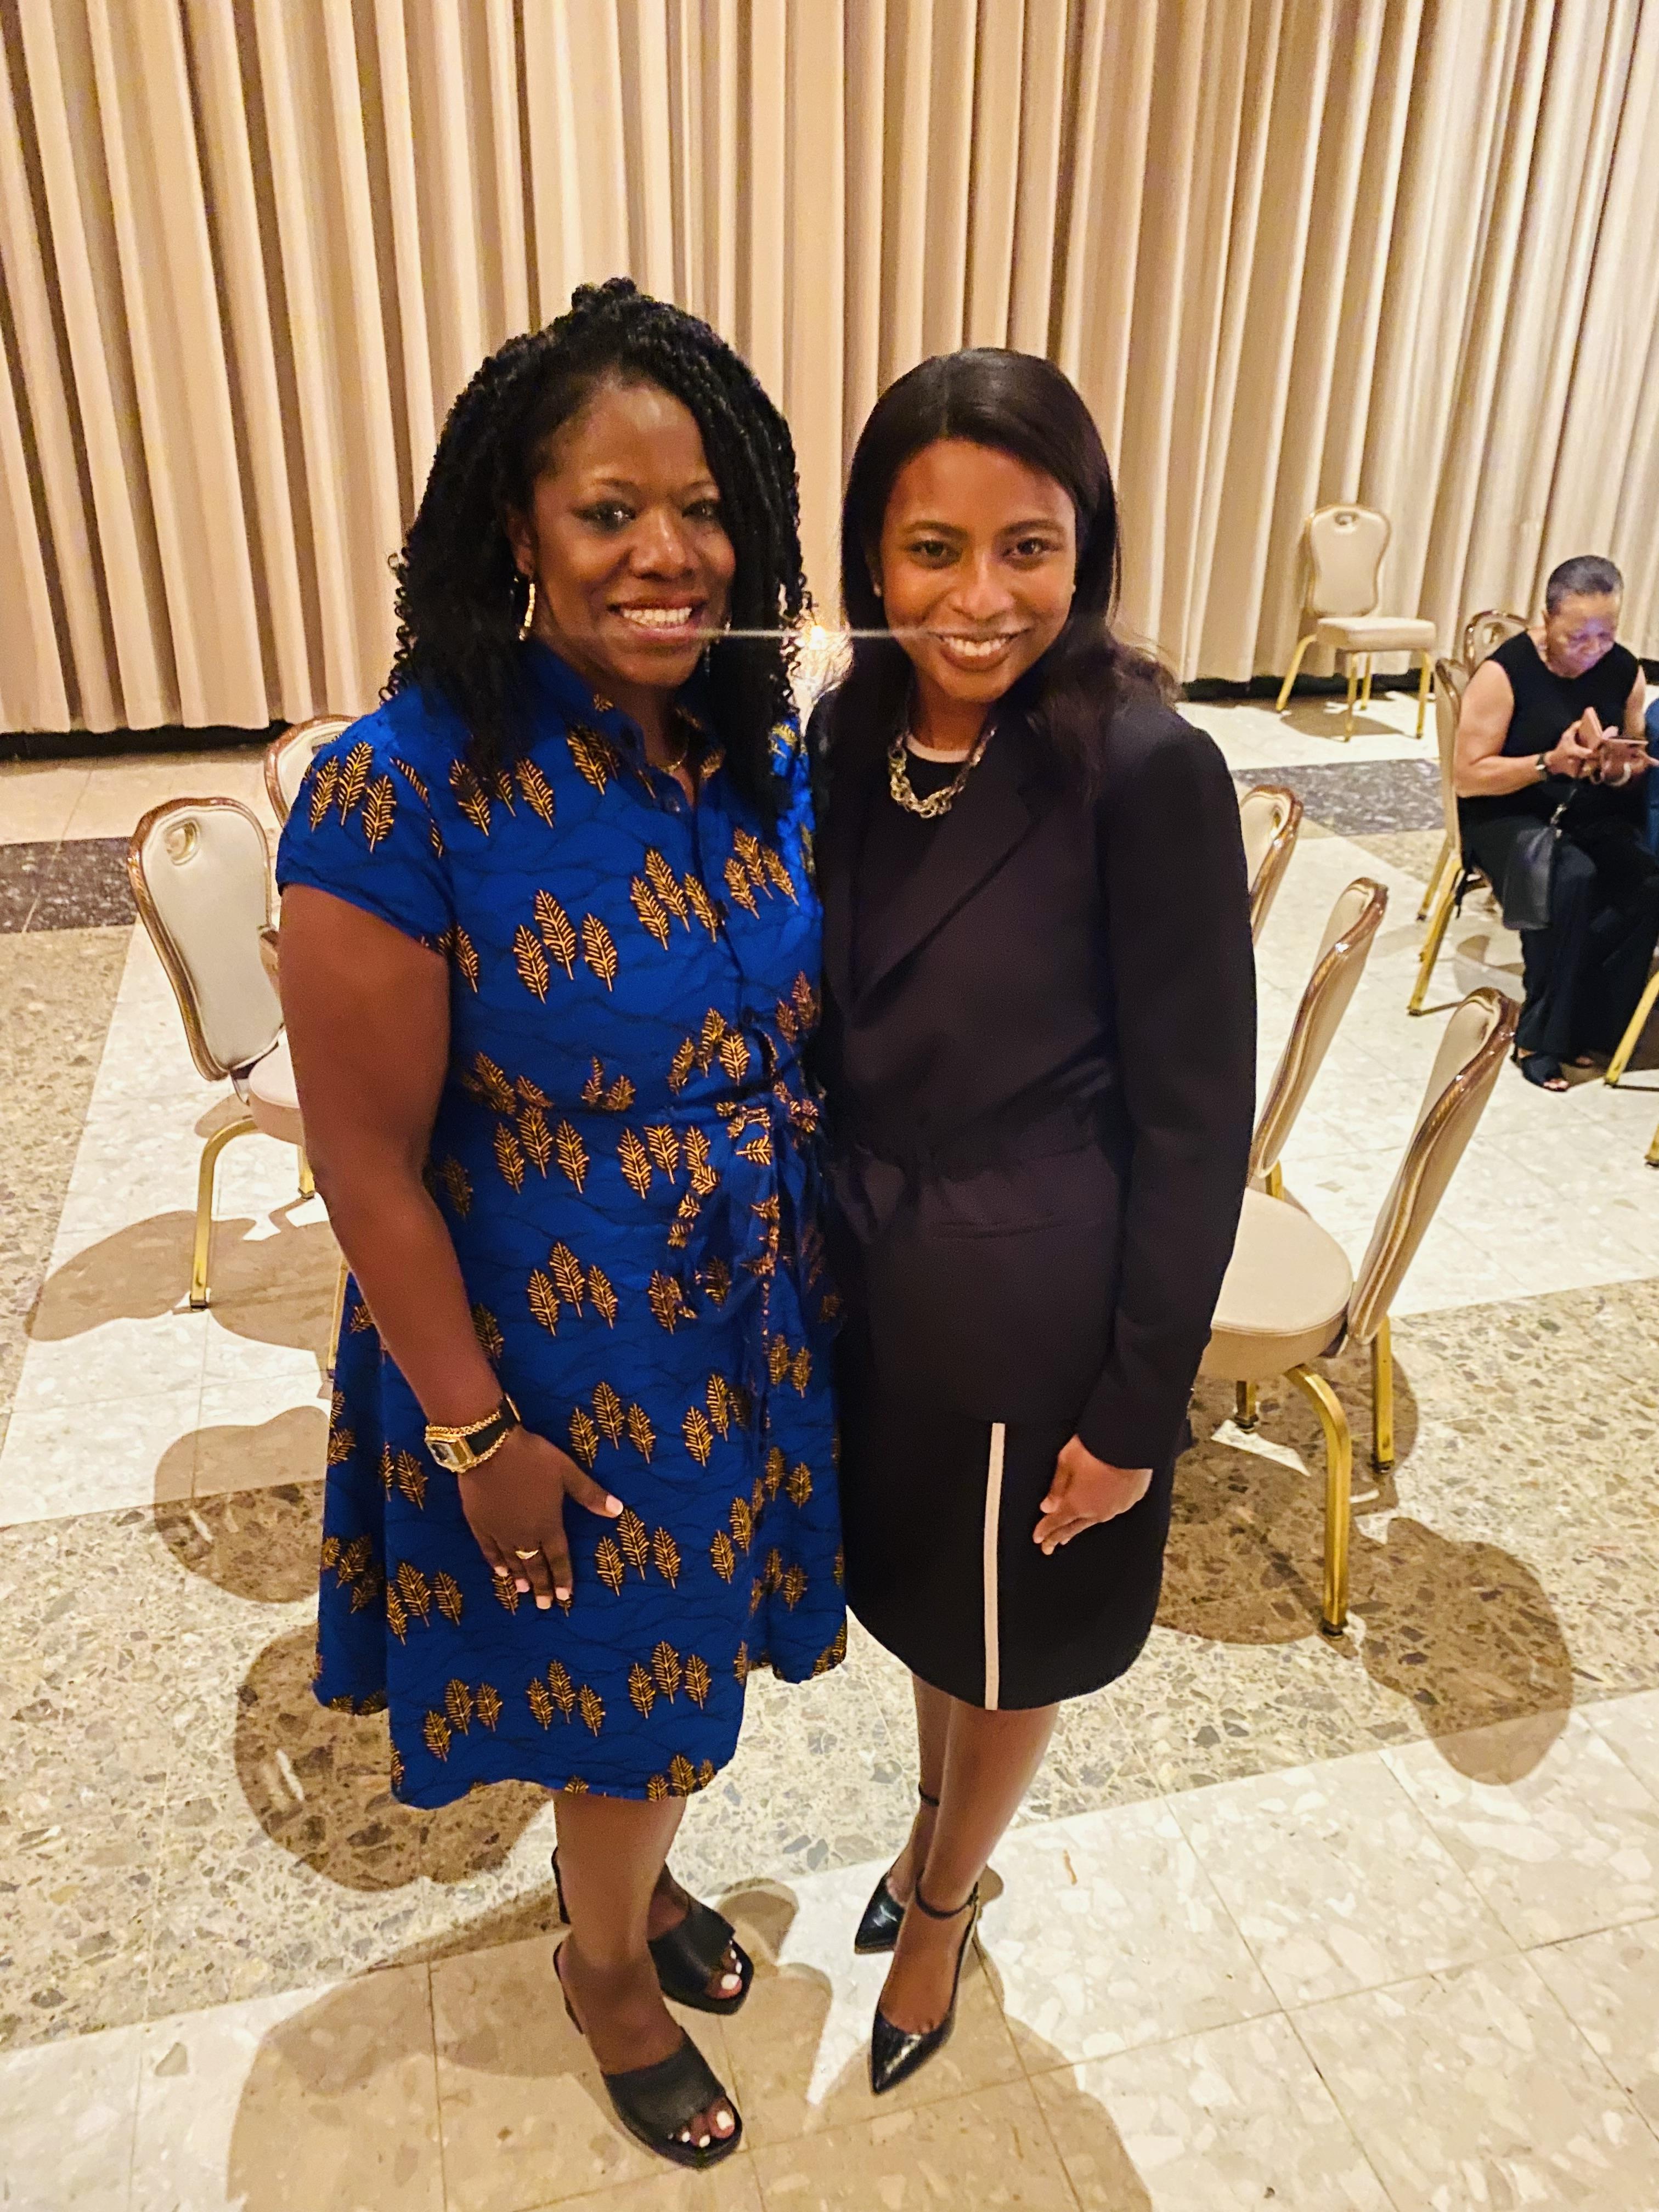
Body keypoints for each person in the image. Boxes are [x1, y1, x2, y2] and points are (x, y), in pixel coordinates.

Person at [275, 280, 843, 2171]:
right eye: (610, 511)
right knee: (627, 1694)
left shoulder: (748, 749)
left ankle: (633, 1882)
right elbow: (362, 1161)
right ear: (515, 527)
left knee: (673, 1682)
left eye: (704, 511)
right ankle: (606, 1966)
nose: (668, 554)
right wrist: (472, 1434)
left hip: (743, 1320)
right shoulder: (402, 787)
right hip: (546, 1352)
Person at [809, 349, 1255, 2095]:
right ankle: (933, 1829)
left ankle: (943, 1903)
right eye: (932, 549)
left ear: (1089, 552)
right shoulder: (852, 732)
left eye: (1029, 547)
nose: (979, 598)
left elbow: (1194, 1118)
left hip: (1037, 1319)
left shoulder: (1143, 768)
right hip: (877, 1291)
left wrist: (1137, 1409)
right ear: (870, 557)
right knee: (938, 1618)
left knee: (1009, 1651)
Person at [1455, 554, 1659, 1090]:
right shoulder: (1505, 673)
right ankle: (1539, 1037)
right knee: (1569, 879)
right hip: (1509, 817)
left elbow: (1631, 767)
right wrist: (1547, 763)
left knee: (1645, 882)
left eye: (1605, 635)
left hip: (1588, 813)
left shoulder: (1625, 671)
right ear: (1545, 622)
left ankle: (1595, 1027)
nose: (1593, 650)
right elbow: (1468, 777)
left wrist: (1619, 770)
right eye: (1577, 637)